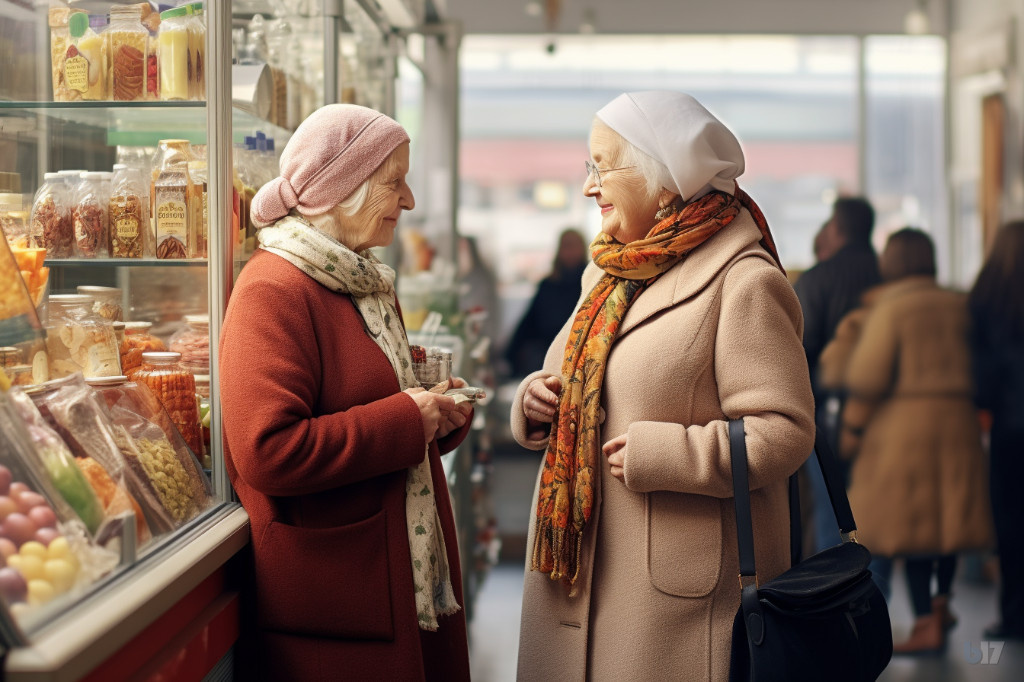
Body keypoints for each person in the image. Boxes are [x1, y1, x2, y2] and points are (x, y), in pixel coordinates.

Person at [510, 91, 814, 679]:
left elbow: (786, 432)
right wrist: (535, 401)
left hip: (675, 602)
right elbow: (572, 374)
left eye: (602, 166)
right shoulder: (607, 270)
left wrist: (669, 454)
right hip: (576, 573)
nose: (589, 186)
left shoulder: (743, 280)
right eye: (588, 167)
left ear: (666, 180)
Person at [219, 104, 474, 680]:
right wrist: (410, 420)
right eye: (395, 182)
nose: (409, 201)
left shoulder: (358, 277)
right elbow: (269, 451)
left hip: (382, 587)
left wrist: (438, 414)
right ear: (342, 189)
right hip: (338, 603)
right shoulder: (273, 290)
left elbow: (372, 406)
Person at [837, 228, 992, 655]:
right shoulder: (957, 304)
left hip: (908, 428)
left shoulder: (892, 308)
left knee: (918, 527)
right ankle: (942, 605)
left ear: (892, 262)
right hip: (958, 421)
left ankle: (924, 621)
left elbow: (868, 377)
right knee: (950, 521)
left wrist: (849, 434)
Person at [793, 196, 881, 555]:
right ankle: (876, 598)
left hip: (827, 415)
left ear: (837, 227)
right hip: (882, 413)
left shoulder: (817, 280)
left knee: (833, 514)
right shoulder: (886, 275)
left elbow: (799, 349)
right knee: (877, 516)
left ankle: (836, 600)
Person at [968, 221, 1024, 641]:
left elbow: (979, 372)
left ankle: (1014, 615)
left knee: (1010, 523)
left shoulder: (986, 297)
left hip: (1008, 427)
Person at [504, 228, 588, 377]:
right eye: (566, 246)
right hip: (546, 352)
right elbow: (529, 321)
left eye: (574, 245)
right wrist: (509, 355)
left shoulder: (590, 282)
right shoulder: (548, 284)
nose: (570, 251)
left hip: (580, 353)